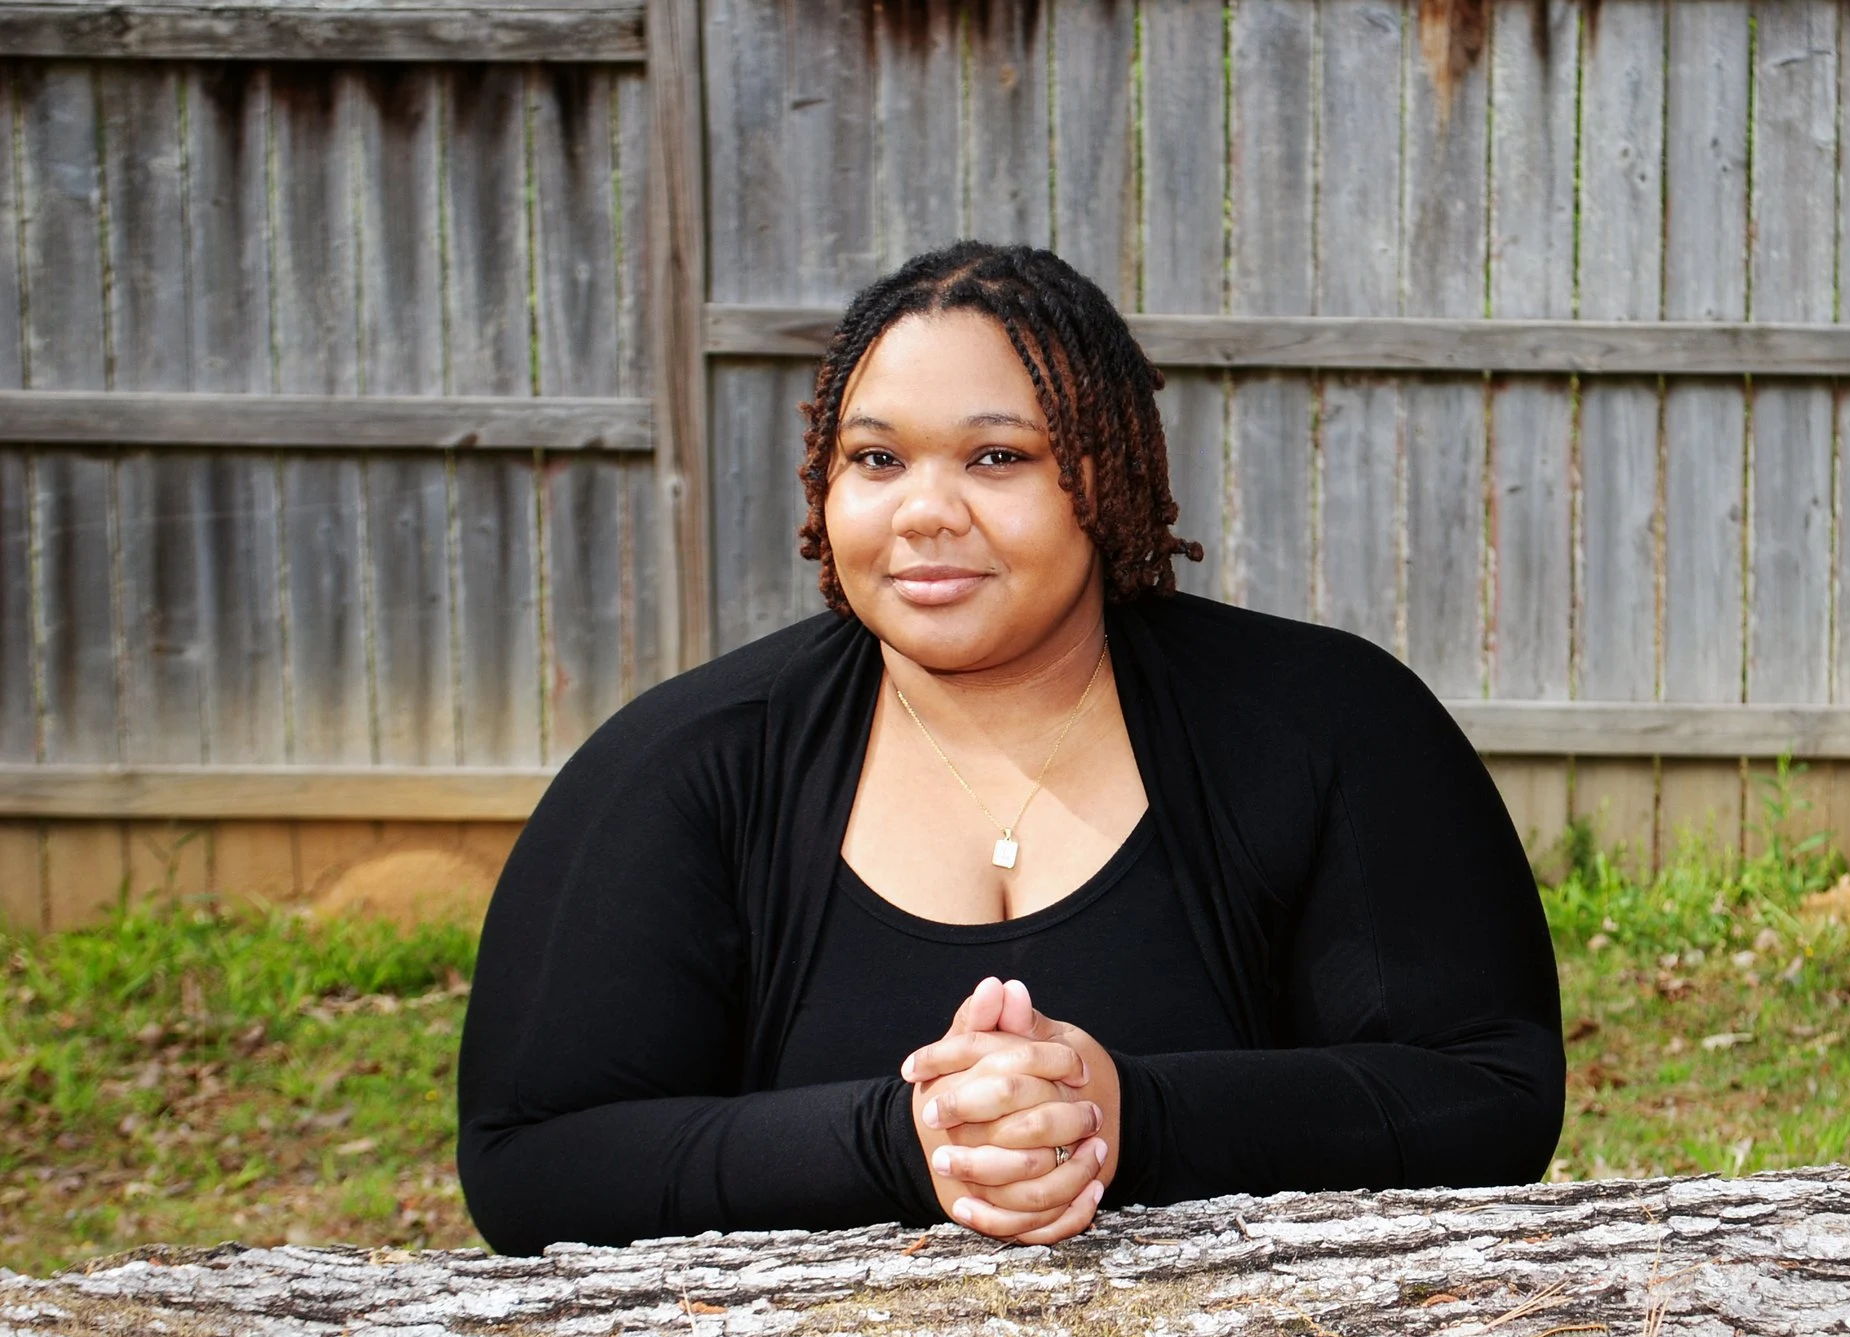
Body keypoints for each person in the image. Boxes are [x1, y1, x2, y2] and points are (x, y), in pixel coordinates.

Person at [456, 241, 1565, 1257]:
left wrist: (1128, 1112)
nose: (924, 510)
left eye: (996, 456)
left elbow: (1489, 1093)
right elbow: (531, 1161)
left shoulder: (1328, 725)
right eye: (877, 457)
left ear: (1107, 479)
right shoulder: (684, 766)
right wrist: (904, 1138)